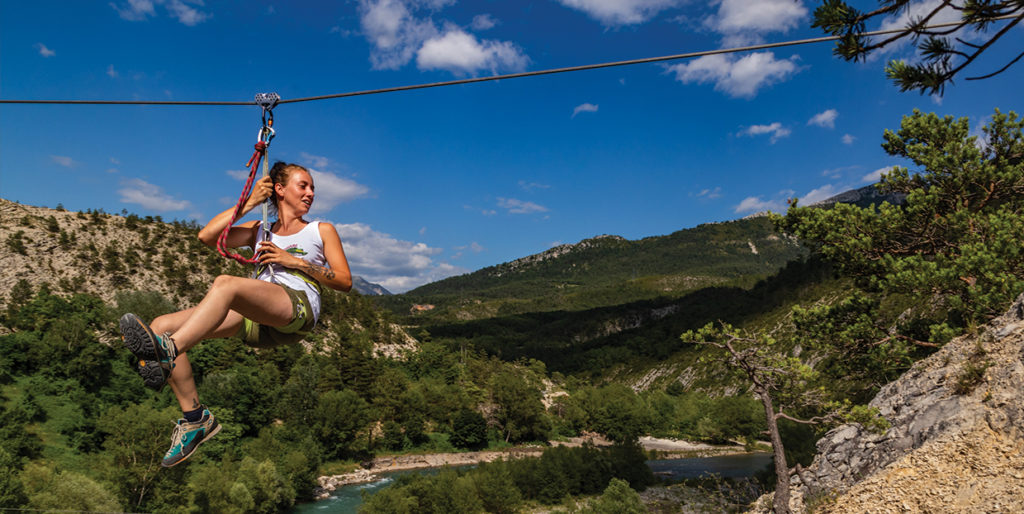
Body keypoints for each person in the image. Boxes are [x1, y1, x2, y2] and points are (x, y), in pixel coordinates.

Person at [119, 161, 352, 467]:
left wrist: (294, 262)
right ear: (280, 190)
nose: (310, 193)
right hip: (259, 318)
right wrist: (251, 202)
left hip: (297, 307)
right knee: (161, 325)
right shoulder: (260, 230)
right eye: (303, 185)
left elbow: (344, 281)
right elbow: (207, 237)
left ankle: (169, 351)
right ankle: (195, 419)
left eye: (312, 188)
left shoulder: (320, 230)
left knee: (226, 285)